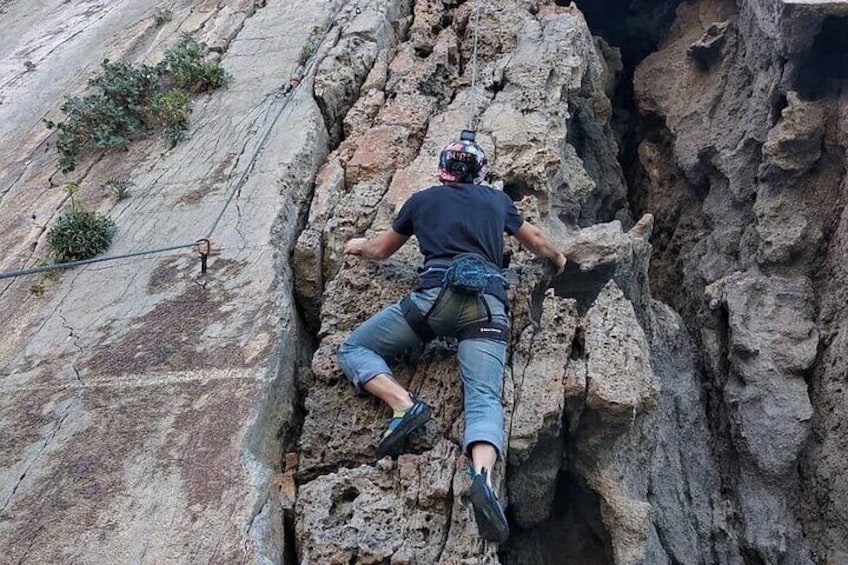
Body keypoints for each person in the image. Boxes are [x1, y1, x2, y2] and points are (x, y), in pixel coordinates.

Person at [338, 136, 566, 543]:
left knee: (355, 348)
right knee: (482, 397)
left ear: (442, 169)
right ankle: (482, 476)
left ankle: (403, 405)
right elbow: (536, 241)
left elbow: (381, 250)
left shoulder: (422, 201)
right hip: (487, 307)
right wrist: (559, 259)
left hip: (433, 301)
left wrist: (356, 245)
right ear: (480, 172)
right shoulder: (497, 201)